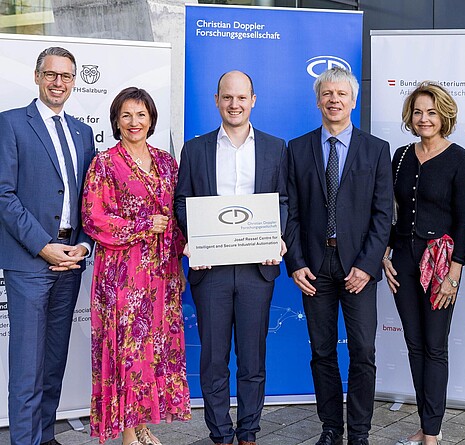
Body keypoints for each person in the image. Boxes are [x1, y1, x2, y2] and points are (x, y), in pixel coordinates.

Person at [174, 70, 288, 445]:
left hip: (258, 269)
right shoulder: (196, 149)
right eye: (227, 97)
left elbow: (283, 201)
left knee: (253, 361)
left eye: (241, 98)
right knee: (213, 361)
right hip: (212, 271)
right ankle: (220, 434)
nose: (234, 104)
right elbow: (182, 201)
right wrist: (197, 239)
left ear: (253, 100)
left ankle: (249, 433)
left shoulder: (276, 148)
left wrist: (278, 236)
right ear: (217, 100)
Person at [284, 66, 392, 445]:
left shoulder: (377, 150)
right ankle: (331, 428)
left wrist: (366, 265)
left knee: (363, 350)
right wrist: (295, 263)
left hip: (358, 268)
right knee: (322, 350)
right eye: (327, 94)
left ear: (353, 100)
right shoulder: (296, 149)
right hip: (314, 267)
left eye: (341, 94)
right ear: (318, 100)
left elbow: (383, 215)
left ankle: (359, 432)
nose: (334, 100)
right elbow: (290, 212)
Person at [82, 87, 191, 445]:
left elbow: (176, 217)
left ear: (151, 119)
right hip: (122, 274)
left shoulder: (165, 161)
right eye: (126, 115)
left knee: (153, 349)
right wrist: (143, 225)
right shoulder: (104, 163)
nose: (134, 122)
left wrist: (179, 262)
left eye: (141, 115)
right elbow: (93, 218)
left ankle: (143, 424)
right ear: (116, 120)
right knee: (127, 348)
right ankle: (128, 432)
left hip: (161, 272)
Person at [0, 46, 95, 445]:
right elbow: (4, 195)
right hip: (30, 261)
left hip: (70, 260)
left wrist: (84, 246)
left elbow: (92, 199)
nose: (59, 83)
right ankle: (24, 440)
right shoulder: (11, 124)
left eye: (67, 76)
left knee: (54, 358)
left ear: (74, 81)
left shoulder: (82, 131)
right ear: (38, 77)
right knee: (27, 364)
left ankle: (44, 434)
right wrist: (43, 246)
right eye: (51, 75)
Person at [382, 82, 465, 445]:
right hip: (404, 262)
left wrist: (454, 274)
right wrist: (384, 254)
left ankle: (432, 433)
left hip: (440, 266)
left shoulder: (460, 159)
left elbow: (464, 222)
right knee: (415, 344)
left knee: (435, 345)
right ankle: (424, 423)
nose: (425, 118)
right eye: (419, 111)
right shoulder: (402, 156)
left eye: (432, 112)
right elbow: (393, 213)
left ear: (445, 115)